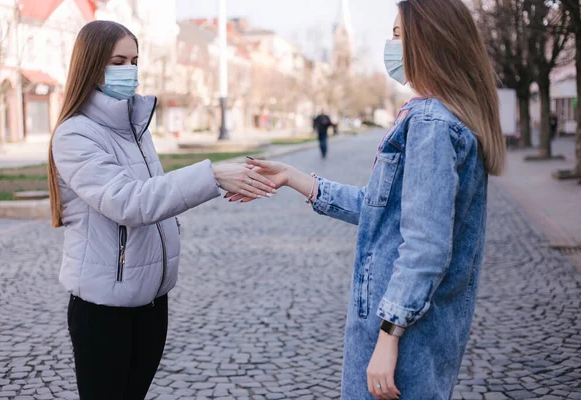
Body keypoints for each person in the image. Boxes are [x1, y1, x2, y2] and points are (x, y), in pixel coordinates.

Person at [228, 0, 506, 398]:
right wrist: (293, 177)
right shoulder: (445, 117)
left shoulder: (430, 123)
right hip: (418, 332)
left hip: (402, 338)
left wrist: (389, 337)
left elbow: (426, 248)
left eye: (397, 35)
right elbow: (384, 210)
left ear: (428, 43)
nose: (390, 45)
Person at [47, 21, 276, 400]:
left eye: (134, 60)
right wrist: (213, 174)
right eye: (118, 60)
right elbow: (130, 201)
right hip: (104, 310)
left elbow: (156, 193)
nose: (130, 70)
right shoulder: (75, 134)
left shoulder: (135, 126)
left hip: (152, 300)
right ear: (91, 64)